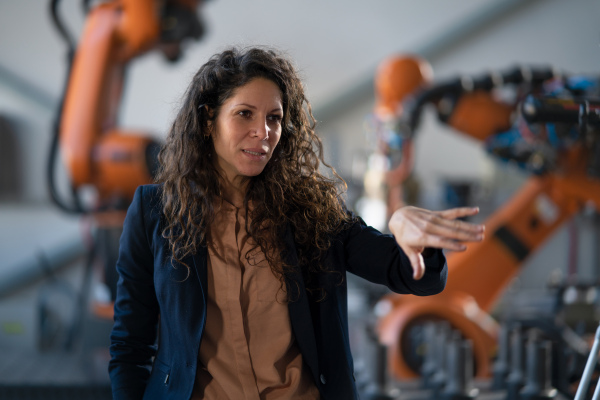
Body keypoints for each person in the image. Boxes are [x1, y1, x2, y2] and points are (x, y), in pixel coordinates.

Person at [108, 46, 484, 400]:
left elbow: (413, 275)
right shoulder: (157, 212)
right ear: (209, 121)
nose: (264, 132)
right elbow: (131, 344)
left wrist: (407, 228)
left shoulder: (311, 212)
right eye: (244, 114)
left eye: (274, 118)